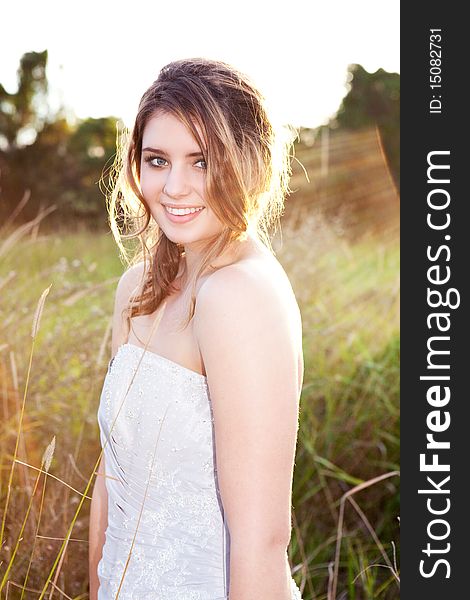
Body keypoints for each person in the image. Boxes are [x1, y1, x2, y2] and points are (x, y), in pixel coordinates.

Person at [88, 57, 304, 600]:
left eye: (201, 161)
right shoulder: (137, 289)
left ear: (245, 163)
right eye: (157, 160)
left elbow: (261, 539)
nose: (174, 187)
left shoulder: (240, 294)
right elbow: (112, 478)